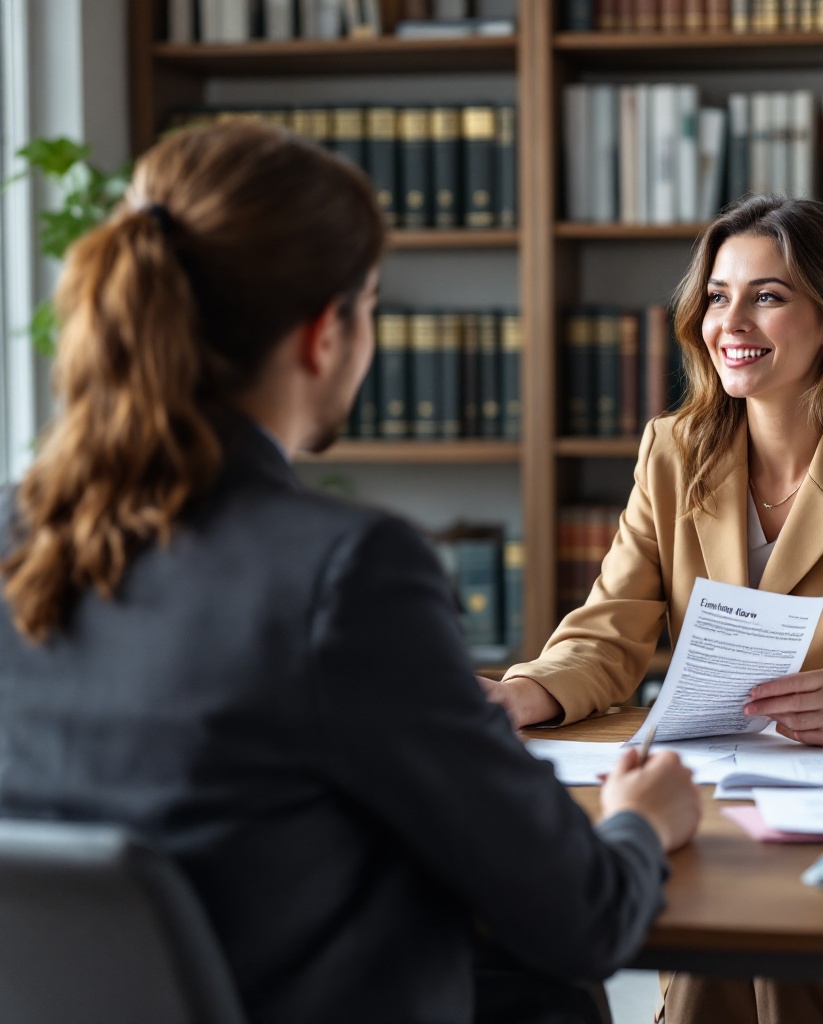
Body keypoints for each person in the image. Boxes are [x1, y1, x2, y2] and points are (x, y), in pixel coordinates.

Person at [0, 121, 703, 1024]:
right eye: (370, 303)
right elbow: (582, 914)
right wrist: (642, 820)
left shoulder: (19, 535)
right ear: (325, 334)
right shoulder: (345, 574)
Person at [482, 194, 823, 1023]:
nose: (730, 320)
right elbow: (607, 635)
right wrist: (522, 692)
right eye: (719, 295)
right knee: (714, 940)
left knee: (770, 949)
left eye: (768, 295)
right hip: (713, 785)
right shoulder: (674, 450)